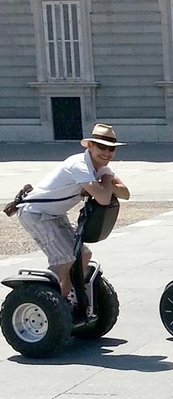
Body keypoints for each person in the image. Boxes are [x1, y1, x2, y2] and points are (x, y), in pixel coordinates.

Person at [15, 123, 131, 306]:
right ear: (90, 146)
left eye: (111, 149)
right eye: (102, 147)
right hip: (36, 213)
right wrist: (107, 179)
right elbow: (103, 198)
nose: (107, 153)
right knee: (64, 261)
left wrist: (106, 179)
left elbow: (126, 193)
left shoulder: (101, 167)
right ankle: (41, 300)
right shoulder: (79, 165)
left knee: (84, 255)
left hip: (56, 214)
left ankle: (64, 298)